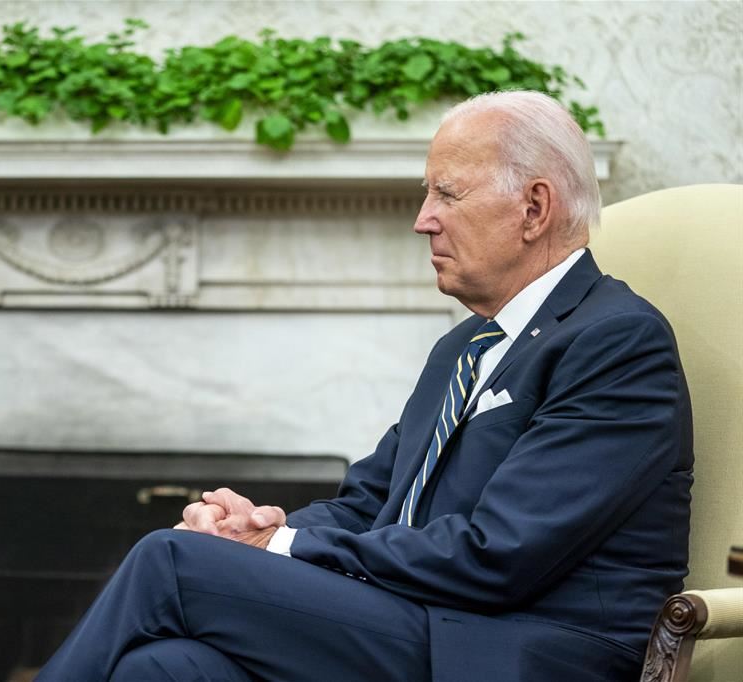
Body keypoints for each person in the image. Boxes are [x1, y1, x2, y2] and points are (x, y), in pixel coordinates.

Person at [35, 91, 693, 682]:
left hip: (519, 649)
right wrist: (261, 529)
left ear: (534, 207)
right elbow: (367, 504)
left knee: (171, 561)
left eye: (447, 194)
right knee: (162, 668)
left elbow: (500, 555)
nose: (423, 219)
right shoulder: (463, 348)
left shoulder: (616, 341)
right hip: (420, 625)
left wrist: (282, 548)